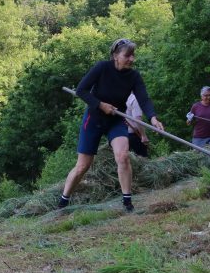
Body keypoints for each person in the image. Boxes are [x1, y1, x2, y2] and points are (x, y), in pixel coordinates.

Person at [59, 39, 164, 212]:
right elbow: (81, 91)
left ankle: (127, 202)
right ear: (115, 56)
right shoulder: (102, 68)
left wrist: (153, 118)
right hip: (94, 119)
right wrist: (101, 105)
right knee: (83, 166)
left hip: (115, 120)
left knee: (123, 156)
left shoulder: (134, 76)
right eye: (127, 55)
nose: (132, 59)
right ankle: (63, 201)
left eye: (133, 55)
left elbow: (144, 99)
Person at [125, 93, 150, 158]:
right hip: (134, 135)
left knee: (125, 160)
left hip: (120, 135)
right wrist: (143, 136)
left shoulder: (118, 96)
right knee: (142, 160)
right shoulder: (134, 99)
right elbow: (137, 119)